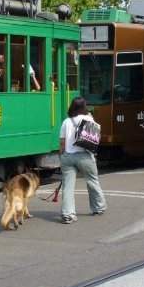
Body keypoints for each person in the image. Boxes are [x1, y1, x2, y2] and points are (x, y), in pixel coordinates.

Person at [59, 96, 107, 224]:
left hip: (68, 157)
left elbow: (62, 143)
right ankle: (98, 207)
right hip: (84, 156)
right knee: (92, 181)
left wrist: (62, 157)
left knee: (67, 186)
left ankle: (68, 214)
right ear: (84, 107)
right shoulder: (88, 119)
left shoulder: (66, 122)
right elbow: (96, 138)